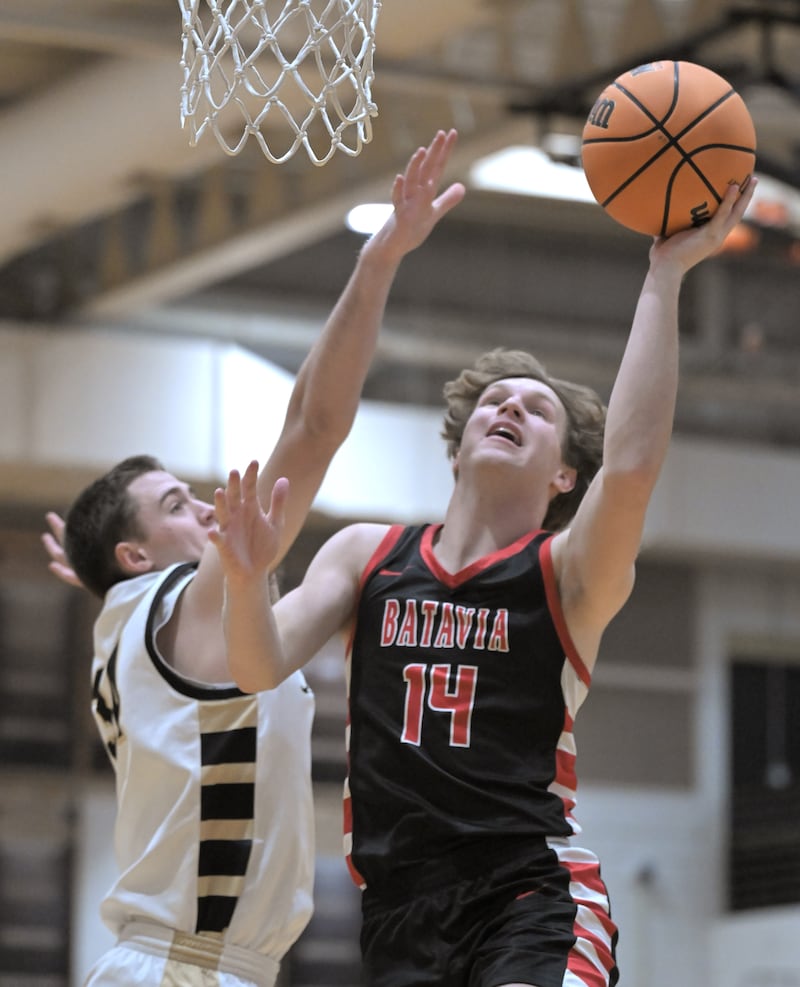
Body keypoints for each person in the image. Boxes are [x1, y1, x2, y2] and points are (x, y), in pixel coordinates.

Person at [209, 177, 756, 987]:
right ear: (458, 445)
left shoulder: (566, 571)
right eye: (494, 402)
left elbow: (635, 465)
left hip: (530, 892)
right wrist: (245, 579)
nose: (508, 408)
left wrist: (664, 276)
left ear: (566, 473)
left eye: (536, 411)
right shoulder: (369, 554)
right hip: (398, 910)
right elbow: (256, 667)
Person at [41, 129, 466, 987]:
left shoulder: (141, 621)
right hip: (184, 970)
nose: (203, 506)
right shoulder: (179, 603)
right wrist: (382, 256)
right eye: (174, 505)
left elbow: (302, 422)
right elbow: (313, 425)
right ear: (135, 554)